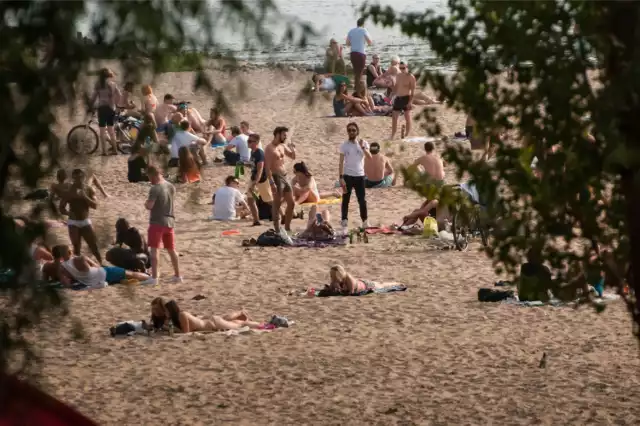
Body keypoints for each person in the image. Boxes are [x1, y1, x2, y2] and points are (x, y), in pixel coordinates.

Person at [46, 244, 153, 287]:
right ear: (70, 252)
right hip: (103, 274)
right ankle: (149, 278)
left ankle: (128, 279)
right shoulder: (80, 258)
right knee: (130, 273)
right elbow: (97, 266)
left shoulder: (62, 268)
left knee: (122, 276)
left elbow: (67, 283)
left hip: (89, 281)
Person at [145, 165, 182, 284]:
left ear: (153, 175)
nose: (149, 180)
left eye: (149, 177)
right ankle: (178, 275)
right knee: (171, 249)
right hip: (170, 221)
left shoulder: (155, 188)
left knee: (154, 250)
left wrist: (146, 204)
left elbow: (150, 205)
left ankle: (154, 277)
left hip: (157, 222)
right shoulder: (170, 186)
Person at [59, 169, 102, 264]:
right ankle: (77, 268)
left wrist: (85, 197)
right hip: (73, 222)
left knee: (93, 245)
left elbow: (95, 205)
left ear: (84, 177)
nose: (78, 180)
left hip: (85, 220)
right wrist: (67, 213)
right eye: (76, 178)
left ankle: (101, 263)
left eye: (80, 177)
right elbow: (61, 207)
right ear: (73, 179)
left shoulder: (89, 189)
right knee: (76, 247)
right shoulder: (69, 191)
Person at [150, 298, 267, 332]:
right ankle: (240, 314)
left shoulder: (181, 315)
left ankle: (264, 325)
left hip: (213, 323)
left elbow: (186, 332)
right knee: (230, 320)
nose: (154, 312)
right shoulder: (168, 318)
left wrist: (168, 329)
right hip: (208, 321)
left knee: (239, 325)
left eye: (157, 309)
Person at [264, 126, 296, 241]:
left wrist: (293, 148)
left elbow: (292, 156)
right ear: (277, 134)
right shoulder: (269, 148)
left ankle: (287, 228)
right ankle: (277, 229)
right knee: (277, 205)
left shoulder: (282, 146)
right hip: (276, 177)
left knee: (291, 203)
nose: (285, 137)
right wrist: (271, 182)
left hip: (285, 176)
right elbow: (267, 168)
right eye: (284, 135)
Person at [338, 122, 371, 230]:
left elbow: (370, 158)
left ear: (357, 131)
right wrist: (341, 177)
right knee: (346, 199)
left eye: (353, 130)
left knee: (362, 200)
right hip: (348, 176)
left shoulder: (363, 143)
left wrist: (362, 147)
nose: (351, 132)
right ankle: (344, 220)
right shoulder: (344, 145)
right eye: (349, 130)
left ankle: (365, 221)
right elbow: (341, 162)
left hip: (360, 176)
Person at [89, 68, 121, 155]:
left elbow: (94, 97)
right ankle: (115, 150)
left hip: (102, 109)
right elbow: (119, 96)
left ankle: (104, 151)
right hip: (111, 109)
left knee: (102, 131)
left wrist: (90, 105)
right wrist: (118, 106)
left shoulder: (98, 84)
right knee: (111, 130)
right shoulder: (113, 84)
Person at [246, 133, 273, 226]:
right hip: (253, 179)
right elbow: (253, 165)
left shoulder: (259, 153)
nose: (248, 143)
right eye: (247, 141)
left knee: (268, 201)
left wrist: (255, 183)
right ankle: (256, 220)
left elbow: (260, 169)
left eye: (250, 141)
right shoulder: (252, 152)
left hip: (261, 181)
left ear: (257, 142)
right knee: (250, 200)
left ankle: (282, 214)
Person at [390, 62, 416, 139]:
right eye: (400, 68)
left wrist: (410, 102)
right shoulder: (398, 75)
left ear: (407, 67)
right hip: (398, 98)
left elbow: (413, 92)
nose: (402, 70)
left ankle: (407, 134)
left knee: (407, 117)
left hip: (406, 98)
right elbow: (396, 87)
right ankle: (393, 134)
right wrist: (392, 93)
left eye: (403, 68)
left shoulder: (411, 77)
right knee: (394, 117)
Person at [346, 17, 372, 91]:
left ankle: (357, 88)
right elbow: (370, 42)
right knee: (360, 72)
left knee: (356, 72)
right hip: (361, 53)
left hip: (353, 53)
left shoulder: (351, 31)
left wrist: (354, 43)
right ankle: (357, 90)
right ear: (363, 24)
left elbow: (347, 43)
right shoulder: (363, 30)